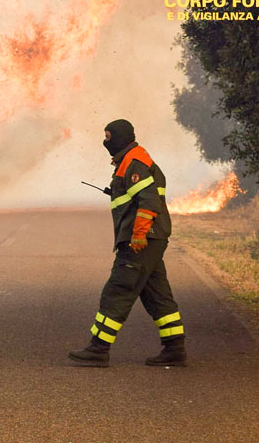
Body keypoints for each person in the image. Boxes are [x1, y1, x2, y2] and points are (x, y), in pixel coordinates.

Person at [68, 119, 187, 367]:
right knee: (157, 294)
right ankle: (174, 348)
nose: (105, 142)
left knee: (118, 289)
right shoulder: (129, 162)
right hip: (151, 239)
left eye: (108, 136)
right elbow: (137, 196)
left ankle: (98, 348)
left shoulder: (135, 163)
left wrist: (139, 234)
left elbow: (150, 202)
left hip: (142, 240)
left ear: (121, 137)